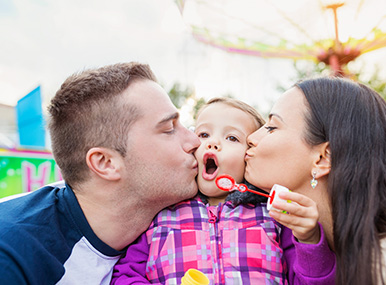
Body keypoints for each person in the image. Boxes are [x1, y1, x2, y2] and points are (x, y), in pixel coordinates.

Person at [0, 62, 201, 284]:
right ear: (106, 163)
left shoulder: (187, 222)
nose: (195, 141)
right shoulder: (12, 254)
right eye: (169, 129)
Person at [111, 97, 336, 284]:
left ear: (249, 157)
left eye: (232, 138)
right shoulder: (160, 214)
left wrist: (309, 239)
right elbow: (124, 275)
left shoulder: (273, 218)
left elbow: (310, 280)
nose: (213, 143)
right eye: (203, 135)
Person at [245, 76, 386, 285]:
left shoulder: (379, 266)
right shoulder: (270, 236)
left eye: (272, 127)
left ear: (323, 158)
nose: (251, 137)